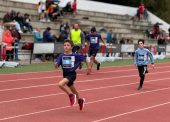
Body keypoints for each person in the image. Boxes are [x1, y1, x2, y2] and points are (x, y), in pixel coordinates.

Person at [54, 39, 90, 111]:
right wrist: (55, 64)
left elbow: (85, 58)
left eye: (68, 45)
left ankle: (70, 95)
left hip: (72, 74)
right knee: (75, 91)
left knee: (60, 84)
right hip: (65, 75)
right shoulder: (61, 55)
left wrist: (88, 67)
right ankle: (80, 100)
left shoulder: (75, 55)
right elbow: (56, 66)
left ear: (71, 47)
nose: (66, 47)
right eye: (64, 45)